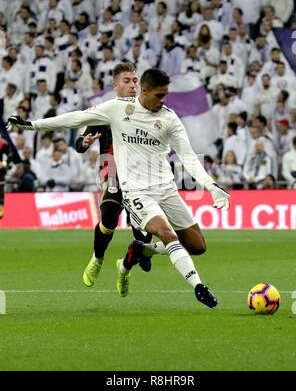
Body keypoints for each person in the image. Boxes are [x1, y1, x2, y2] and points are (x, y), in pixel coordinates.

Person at [7, 68, 230, 308]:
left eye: (166, 95)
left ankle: (143, 251)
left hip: (166, 189)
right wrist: (31, 125)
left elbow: (188, 156)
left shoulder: (169, 118)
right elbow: (77, 117)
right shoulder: (117, 109)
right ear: (144, 91)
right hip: (135, 190)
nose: (163, 100)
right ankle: (198, 286)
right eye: (159, 95)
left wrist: (211, 185)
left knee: (198, 246)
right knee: (160, 232)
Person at [75, 62, 153, 289]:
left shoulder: (146, 110)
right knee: (109, 217)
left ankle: (125, 268)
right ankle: (97, 258)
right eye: (127, 81)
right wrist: (85, 142)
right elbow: (79, 144)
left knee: (143, 234)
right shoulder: (104, 111)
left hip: (141, 174)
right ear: (115, 85)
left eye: (135, 81)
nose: (132, 86)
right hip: (112, 170)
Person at [0, 135, 11, 218]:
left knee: (1, 192)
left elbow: (9, 156)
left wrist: (3, 163)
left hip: (0, 173)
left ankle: (1, 211)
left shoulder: (3, 144)